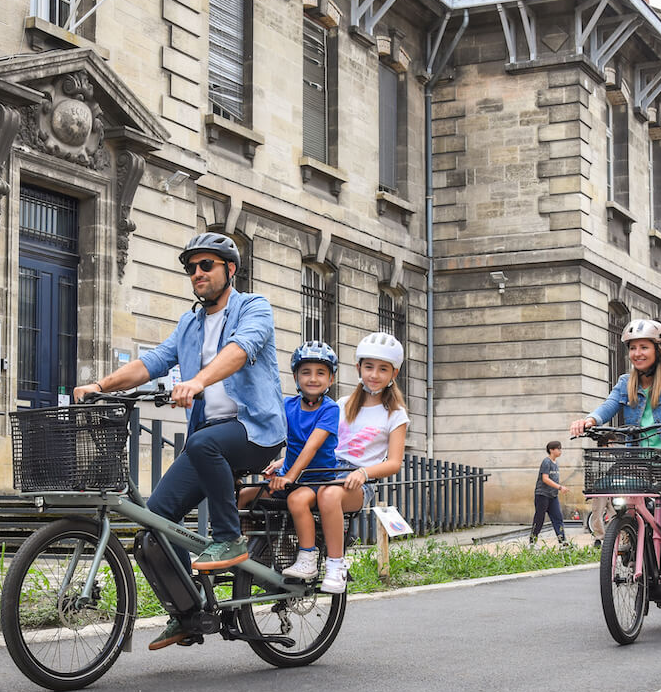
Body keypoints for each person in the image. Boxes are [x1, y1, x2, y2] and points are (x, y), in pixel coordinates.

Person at [73, 232, 286, 649]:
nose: (197, 273)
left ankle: (229, 537)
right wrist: (100, 386)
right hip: (210, 437)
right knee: (156, 522)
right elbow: (152, 362)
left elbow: (240, 350)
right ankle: (190, 614)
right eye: (191, 268)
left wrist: (198, 382)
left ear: (230, 269)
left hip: (255, 431)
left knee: (204, 444)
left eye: (206, 265)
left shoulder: (253, 307)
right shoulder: (190, 324)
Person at [569, 319, 661, 615]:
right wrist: (589, 420)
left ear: (657, 349)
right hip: (639, 461)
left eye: (644, 347)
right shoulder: (625, 383)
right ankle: (628, 535)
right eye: (633, 348)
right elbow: (608, 406)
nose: (638, 353)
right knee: (623, 506)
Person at [284, 332, 409, 594]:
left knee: (329, 495)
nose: (374, 374)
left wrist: (363, 472)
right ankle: (298, 555)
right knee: (294, 497)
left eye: (383, 369)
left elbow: (394, 463)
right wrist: (283, 462)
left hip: (358, 481)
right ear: (358, 368)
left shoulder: (395, 414)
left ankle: (336, 565)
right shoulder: (341, 405)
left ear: (393, 373)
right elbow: (319, 442)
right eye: (369, 367)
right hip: (326, 471)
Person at [239, 341, 340, 575]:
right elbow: (271, 434)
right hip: (288, 478)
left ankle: (308, 557)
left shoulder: (330, 409)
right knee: (244, 495)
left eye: (320, 373)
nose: (312, 378)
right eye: (305, 372)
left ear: (331, 379)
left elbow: (311, 447)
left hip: (316, 481)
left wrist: (289, 475)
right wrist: (276, 464)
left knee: (297, 500)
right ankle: (243, 544)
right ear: (295, 377)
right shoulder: (287, 405)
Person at [530, 440, 569, 548]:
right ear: (551, 450)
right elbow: (545, 479)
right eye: (558, 449)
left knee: (558, 517)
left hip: (553, 496)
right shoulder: (546, 462)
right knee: (539, 518)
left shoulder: (556, 463)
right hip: (542, 495)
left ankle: (563, 542)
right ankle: (532, 542)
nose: (560, 451)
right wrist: (560, 487)